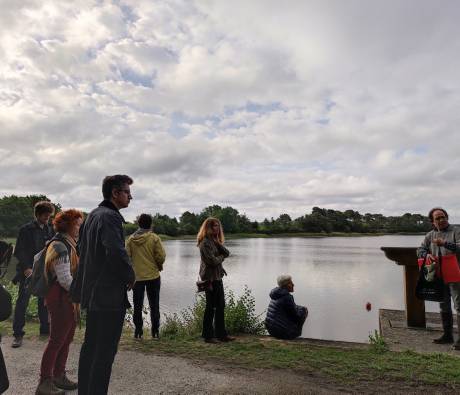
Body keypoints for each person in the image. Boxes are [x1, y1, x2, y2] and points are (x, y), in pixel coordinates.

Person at [71, 175, 135, 395]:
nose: (130, 196)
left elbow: (81, 251)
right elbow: (115, 251)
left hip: (93, 293)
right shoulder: (110, 217)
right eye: (127, 192)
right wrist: (130, 275)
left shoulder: (93, 216)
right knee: (105, 352)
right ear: (115, 193)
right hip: (108, 295)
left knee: (91, 347)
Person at [35, 209, 83, 395]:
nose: (79, 228)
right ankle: (44, 382)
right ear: (68, 225)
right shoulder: (60, 246)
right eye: (77, 224)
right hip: (60, 298)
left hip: (67, 298)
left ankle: (58, 375)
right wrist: (80, 294)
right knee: (56, 340)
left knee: (66, 338)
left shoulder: (68, 244)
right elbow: (64, 279)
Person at [12, 200, 55, 348]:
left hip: (44, 270)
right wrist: (26, 268)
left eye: (49, 216)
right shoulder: (26, 229)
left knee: (43, 301)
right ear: (37, 214)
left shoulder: (50, 229)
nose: (47, 219)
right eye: (44, 216)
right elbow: (19, 250)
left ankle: (44, 330)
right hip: (28, 270)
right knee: (22, 302)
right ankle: (17, 334)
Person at [418, 207, 460, 348]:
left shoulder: (456, 231)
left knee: (459, 305)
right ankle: (447, 336)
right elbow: (420, 249)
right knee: (443, 305)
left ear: (447, 217)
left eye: (443, 217)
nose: (441, 220)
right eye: (438, 218)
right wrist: (425, 254)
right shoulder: (430, 235)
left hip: (456, 274)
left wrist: (445, 243)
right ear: (432, 222)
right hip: (439, 275)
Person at [126, 213, 166, 339]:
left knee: (137, 305)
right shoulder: (154, 238)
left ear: (138, 224)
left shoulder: (130, 240)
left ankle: (138, 332)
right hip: (153, 276)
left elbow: (126, 258)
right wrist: (158, 265)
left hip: (137, 278)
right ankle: (155, 332)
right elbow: (161, 256)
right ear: (151, 224)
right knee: (154, 304)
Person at [197, 217, 234, 344]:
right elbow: (212, 261)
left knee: (220, 306)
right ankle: (207, 336)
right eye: (215, 226)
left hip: (217, 277)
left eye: (218, 226)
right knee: (210, 307)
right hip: (209, 279)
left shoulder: (214, 241)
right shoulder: (205, 243)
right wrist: (221, 257)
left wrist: (218, 243)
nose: (217, 228)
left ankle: (221, 334)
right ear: (208, 227)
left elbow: (227, 253)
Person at [265, 275, 308, 340]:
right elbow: (296, 317)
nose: (293, 284)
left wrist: (297, 308)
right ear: (285, 285)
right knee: (304, 310)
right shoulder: (287, 297)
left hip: (272, 330)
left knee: (299, 308)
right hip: (282, 333)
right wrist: (304, 311)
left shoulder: (276, 294)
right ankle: (295, 332)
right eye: (290, 283)